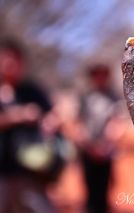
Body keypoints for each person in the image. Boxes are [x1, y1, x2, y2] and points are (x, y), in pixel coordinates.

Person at [0, 37, 59, 213]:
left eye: (14, 60)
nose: (10, 65)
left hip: (30, 171)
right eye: (6, 60)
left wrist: (49, 123)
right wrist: (18, 116)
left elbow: (53, 113)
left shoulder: (31, 90)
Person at [76, 64, 119, 213]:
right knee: (89, 187)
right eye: (96, 75)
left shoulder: (113, 97)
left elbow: (116, 122)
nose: (100, 78)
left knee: (104, 186)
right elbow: (79, 122)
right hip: (88, 151)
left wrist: (106, 145)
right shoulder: (85, 96)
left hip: (106, 151)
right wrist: (89, 146)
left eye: (103, 75)